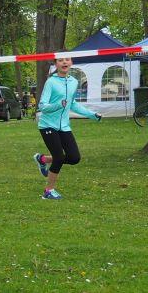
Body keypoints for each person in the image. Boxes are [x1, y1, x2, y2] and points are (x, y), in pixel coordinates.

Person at [33, 56, 101, 200]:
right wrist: (58, 105)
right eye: (60, 60)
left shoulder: (73, 82)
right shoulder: (51, 82)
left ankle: (43, 159)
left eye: (67, 59)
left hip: (64, 126)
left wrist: (92, 115)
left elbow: (73, 104)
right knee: (58, 157)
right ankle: (48, 191)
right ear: (56, 64)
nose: (64, 62)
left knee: (74, 158)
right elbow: (42, 106)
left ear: (71, 62)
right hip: (48, 125)